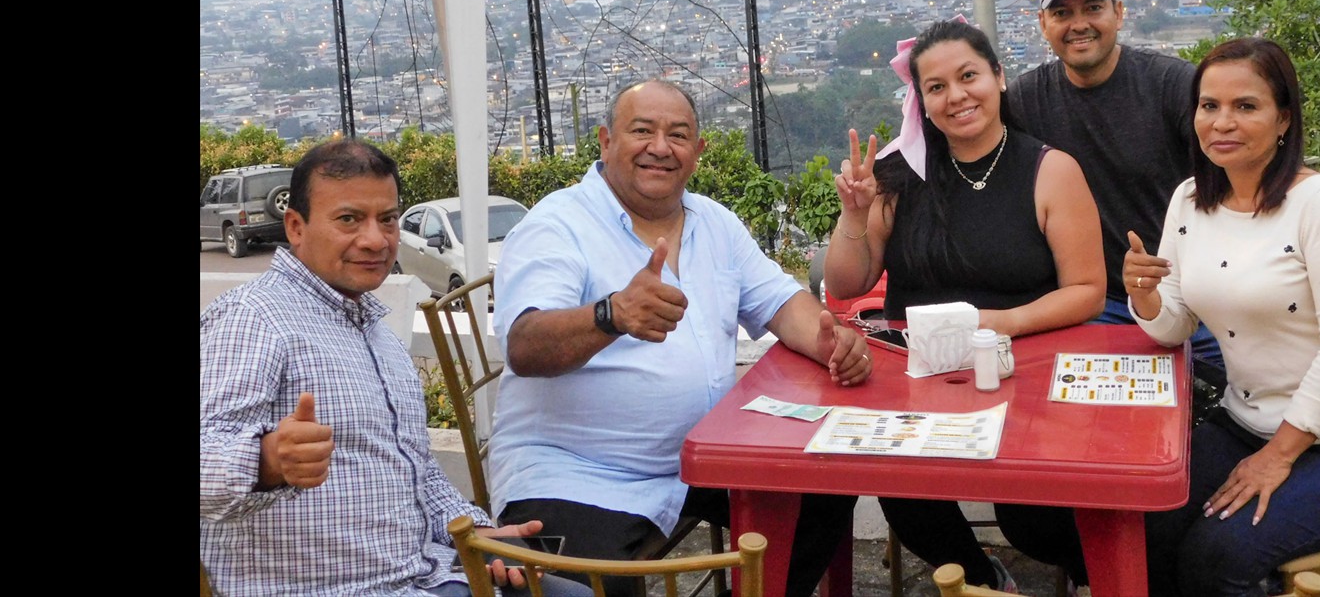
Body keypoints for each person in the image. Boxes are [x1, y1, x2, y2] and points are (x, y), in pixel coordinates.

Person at [489, 79, 869, 597]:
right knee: (584, 589)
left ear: (697, 152)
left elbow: (782, 303)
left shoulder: (715, 223)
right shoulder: (557, 225)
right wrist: (611, 314)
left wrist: (833, 343)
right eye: (641, 131)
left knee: (824, 490)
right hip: (578, 473)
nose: (660, 147)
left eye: (678, 134)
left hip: (704, 458)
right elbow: (524, 346)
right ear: (604, 141)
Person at [200, 139, 588, 597]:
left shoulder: (373, 330)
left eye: (387, 219)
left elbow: (415, 469)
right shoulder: (254, 319)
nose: (375, 239)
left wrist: (475, 533)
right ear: (296, 226)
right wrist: (266, 461)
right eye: (349, 219)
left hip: (424, 573)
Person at [825, 18, 1106, 593]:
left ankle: (1095, 572)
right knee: (900, 484)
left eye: (969, 76)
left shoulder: (1050, 170)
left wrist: (999, 324)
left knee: (1030, 516)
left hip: (1021, 369)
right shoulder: (898, 176)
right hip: (916, 376)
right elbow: (847, 283)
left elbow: (1087, 290)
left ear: (999, 78)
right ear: (921, 101)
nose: (956, 96)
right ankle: (981, 578)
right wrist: (855, 215)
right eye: (936, 86)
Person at [1123, 38, 1320, 597]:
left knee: (1218, 554)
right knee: (1144, 522)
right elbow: (1175, 325)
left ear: (1283, 119)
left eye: (1245, 106)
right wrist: (1144, 294)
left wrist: (1277, 457)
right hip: (1246, 420)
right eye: (1209, 105)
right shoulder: (1189, 200)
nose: (1222, 122)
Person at [1008, 0, 1226, 386]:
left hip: (1186, 296)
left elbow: (1233, 173)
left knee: (1235, 398)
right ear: (1042, 23)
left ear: (1119, 12)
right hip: (1094, 304)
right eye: (1062, 13)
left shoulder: (1172, 85)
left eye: (1092, 8)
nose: (1079, 24)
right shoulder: (1026, 100)